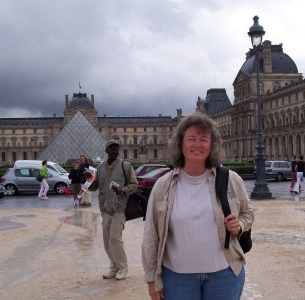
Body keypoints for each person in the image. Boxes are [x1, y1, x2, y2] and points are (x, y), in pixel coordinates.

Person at [142, 113, 254, 300]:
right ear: (181, 144)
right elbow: (150, 234)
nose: (197, 144)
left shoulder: (230, 179)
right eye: (191, 139)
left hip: (224, 274)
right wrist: (151, 278)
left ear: (212, 146)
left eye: (204, 139)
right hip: (177, 278)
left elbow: (248, 213)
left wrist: (240, 225)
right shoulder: (163, 185)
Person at [89, 140, 138, 280]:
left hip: (119, 208)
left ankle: (123, 267)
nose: (115, 151)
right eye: (112, 149)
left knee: (115, 238)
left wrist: (123, 190)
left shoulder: (125, 166)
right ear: (106, 151)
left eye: (116, 148)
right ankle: (114, 267)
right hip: (105, 208)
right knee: (107, 240)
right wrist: (87, 180)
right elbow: (94, 187)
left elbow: (134, 184)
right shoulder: (100, 168)